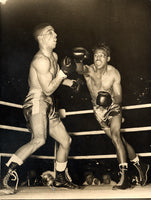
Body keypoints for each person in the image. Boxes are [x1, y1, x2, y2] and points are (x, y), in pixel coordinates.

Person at [2, 23, 79, 194]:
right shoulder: (40, 61)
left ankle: (59, 178)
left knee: (66, 141)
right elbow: (48, 88)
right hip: (36, 101)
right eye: (50, 32)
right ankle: (7, 173)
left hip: (48, 103)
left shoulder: (54, 56)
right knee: (39, 139)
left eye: (55, 31)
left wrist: (69, 82)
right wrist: (61, 76)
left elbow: (56, 78)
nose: (55, 34)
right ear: (41, 38)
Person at [72, 43, 150, 190]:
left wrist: (110, 99)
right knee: (119, 141)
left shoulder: (114, 73)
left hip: (113, 107)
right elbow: (79, 69)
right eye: (96, 55)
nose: (98, 58)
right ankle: (140, 164)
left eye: (102, 55)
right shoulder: (89, 70)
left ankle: (124, 178)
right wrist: (78, 60)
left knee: (115, 136)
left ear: (108, 58)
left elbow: (119, 97)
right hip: (98, 112)